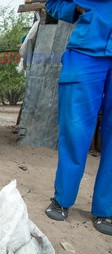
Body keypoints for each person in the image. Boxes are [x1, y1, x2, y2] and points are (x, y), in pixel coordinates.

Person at [44, 0, 112, 236]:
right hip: (85, 51)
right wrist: (76, 9)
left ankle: (106, 208)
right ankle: (63, 199)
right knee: (75, 130)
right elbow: (52, 3)